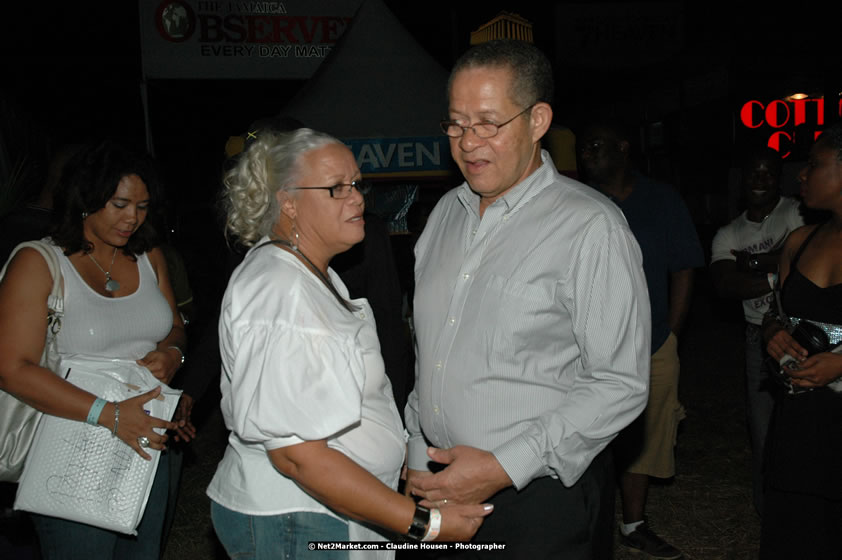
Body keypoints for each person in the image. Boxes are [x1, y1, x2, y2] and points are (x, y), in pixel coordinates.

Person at [404, 39, 651, 559]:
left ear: (538, 120)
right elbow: (434, 353)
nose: (468, 142)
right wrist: (415, 455)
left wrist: (500, 467)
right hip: (439, 487)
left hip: (537, 499)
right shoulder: (445, 215)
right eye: (456, 123)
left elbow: (619, 383)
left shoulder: (590, 226)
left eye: (488, 123)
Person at [205, 128, 492, 559]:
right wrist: (423, 524)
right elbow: (298, 457)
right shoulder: (281, 287)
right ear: (288, 202)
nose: (357, 198)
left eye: (357, 184)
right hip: (296, 517)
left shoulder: (310, 272)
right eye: (336, 188)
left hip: (319, 513)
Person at [0, 139, 185, 559]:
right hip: (72, 440)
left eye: (142, 206)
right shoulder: (38, 262)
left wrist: (174, 353)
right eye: (120, 204)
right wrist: (111, 415)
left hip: (149, 437)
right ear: (85, 199)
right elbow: (11, 368)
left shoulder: (148, 255)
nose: (133, 219)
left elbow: (174, 327)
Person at [577, 120, 703, 559]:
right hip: (587, 348)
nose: (587, 153)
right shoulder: (579, 202)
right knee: (588, 435)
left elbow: (684, 265)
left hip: (651, 342)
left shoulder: (660, 199)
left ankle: (633, 524)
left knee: (647, 435)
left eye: (596, 144)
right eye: (583, 147)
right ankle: (586, 527)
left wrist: (670, 330)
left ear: (623, 147)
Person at [759, 122, 842, 559]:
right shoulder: (800, 241)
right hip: (801, 419)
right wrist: (772, 332)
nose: (802, 176)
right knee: (797, 532)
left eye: (814, 164)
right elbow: (778, 311)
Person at [709, 148, 804, 516]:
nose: (760, 179)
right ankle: (770, 511)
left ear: (777, 178)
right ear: (743, 180)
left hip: (802, 332)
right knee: (763, 429)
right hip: (756, 339)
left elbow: (805, 252)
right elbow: (725, 285)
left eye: (768, 173)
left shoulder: (796, 211)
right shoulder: (728, 231)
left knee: (805, 425)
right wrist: (776, 271)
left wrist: (752, 262)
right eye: (754, 173)